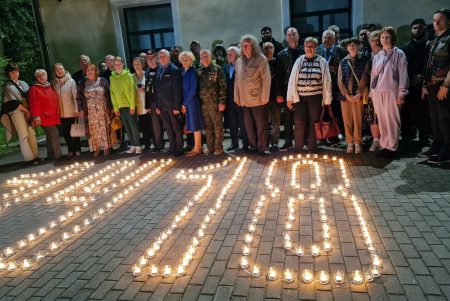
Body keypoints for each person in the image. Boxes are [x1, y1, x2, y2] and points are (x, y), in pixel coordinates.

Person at [286, 37, 332, 153]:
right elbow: (292, 80)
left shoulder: (322, 61)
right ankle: (299, 147)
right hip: (300, 97)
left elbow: (327, 80)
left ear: (316, 48)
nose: (309, 48)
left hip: (315, 97)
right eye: (307, 46)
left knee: (314, 122)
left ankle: (312, 146)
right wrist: (289, 98)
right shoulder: (299, 60)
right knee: (299, 122)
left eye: (311, 46)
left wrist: (327, 99)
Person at [370, 27, 409, 159]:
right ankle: (384, 145)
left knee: (392, 121)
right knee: (382, 121)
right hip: (378, 92)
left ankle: (392, 147)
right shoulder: (377, 56)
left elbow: (403, 75)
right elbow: (373, 76)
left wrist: (402, 93)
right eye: (382, 37)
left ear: (392, 38)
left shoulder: (399, 54)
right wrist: (372, 91)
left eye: (387, 37)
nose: (384, 39)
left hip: (392, 92)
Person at [421, 9, 450, 163]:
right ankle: (437, 145)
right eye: (434, 20)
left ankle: (447, 149)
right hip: (431, 85)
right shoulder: (434, 41)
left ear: (448, 21)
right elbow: (428, 64)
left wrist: (446, 85)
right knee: (435, 118)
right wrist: (424, 85)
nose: (436, 23)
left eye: (440, 20)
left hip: (443, 85)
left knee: (445, 119)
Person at [235, 34, 271, 155]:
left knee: (261, 125)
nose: (243, 48)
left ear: (253, 46)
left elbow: (266, 80)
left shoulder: (261, 59)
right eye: (242, 46)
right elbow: (237, 80)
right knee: (248, 125)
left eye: (246, 46)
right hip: (244, 100)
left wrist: (265, 97)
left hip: (258, 99)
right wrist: (237, 96)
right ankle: (253, 146)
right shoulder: (239, 61)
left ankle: (261, 147)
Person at [1, 63, 39, 163]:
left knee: (31, 133)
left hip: (28, 111)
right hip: (17, 111)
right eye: (12, 72)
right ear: (8, 74)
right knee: (23, 134)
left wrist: (30, 111)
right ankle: (29, 158)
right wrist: (26, 111)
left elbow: (31, 98)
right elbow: (12, 102)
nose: (15, 74)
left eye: (16, 71)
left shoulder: (24, 83)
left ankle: (35, 156)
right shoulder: (7, 86)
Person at [402, 18, 431, 148]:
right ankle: (407, 136)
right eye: (415, 28)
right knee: (407, 113)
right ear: (411, 30)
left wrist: (423, 77)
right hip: (409, 85)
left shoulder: (429, 46)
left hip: (425, 85)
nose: (417, 30)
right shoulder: (405, 48)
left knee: (423, 113)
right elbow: (403, 67)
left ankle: (424, 138)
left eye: (420, 27)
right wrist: (411, 77)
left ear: (424, 29)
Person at [337, 38, 369, 154]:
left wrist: (359, 92)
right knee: (347, 120)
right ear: (346, 48)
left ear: (359, 46)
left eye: (354, 45)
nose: (352, 47)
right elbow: (340, 80)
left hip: (358, 96)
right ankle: (349, 142)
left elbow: (364, 77)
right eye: (349, 45)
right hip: (345, 97)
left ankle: (358, 142)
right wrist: (346, 94)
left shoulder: (364, 60)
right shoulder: (343, 61)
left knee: (358, 120)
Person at [275, 27, 304, 151]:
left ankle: (301, 141)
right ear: (286, 38)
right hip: (287, 90)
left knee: (301, 117)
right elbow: (279, 76)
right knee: (287, 118)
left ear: (298, 36)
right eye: (289, 34)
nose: (291, 36)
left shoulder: (304, 52)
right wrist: (279, 93)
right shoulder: (281, 55)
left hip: (303, 90)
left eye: (294, 34)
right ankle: (287, 141)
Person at [316, 30, 348, 143]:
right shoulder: (317, 50)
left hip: (335, 87)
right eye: (325, 38)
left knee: (334, 112)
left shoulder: (342, 51)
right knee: (321, 112)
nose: (327, 40)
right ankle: (322, 136)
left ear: (334, 39)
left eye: (330, 38)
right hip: (320, 86)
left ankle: (334, 136)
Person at [77, 64, 112, 156]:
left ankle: (106, 147)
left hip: (102, 109)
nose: (89, 72)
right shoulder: (83, 83)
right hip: (90, 111)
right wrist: (80, 109)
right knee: (93, 130)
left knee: (104, 128)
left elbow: (109, 94)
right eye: (87, 70)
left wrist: (111, 108)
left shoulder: (103, 81)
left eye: (91, 70)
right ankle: (96, 148)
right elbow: (79, 97)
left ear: (96, 71)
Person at [153, 49, 184, 157]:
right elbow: (156, 89)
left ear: (169, 57)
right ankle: (172, 147)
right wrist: (157, 105)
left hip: (172, 105)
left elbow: (177, 90)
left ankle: (179, 148)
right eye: (160, 56)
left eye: (163, 56)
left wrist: (177, 106)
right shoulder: (159, 69)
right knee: (168, 127)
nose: (161, 58)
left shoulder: (174, 70)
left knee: (176, 127)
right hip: (162, 105)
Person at [110, 56, 141, 154]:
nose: (117, 66)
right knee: (127, 127)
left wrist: (132, 106)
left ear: (123, 64)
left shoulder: (128, 76)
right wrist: (115, 108)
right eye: (115, 64)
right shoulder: (112, 77)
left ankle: (138, 145)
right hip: (120, 106)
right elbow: (112, 93)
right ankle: (132, 145)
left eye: (119, 64)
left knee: (133, 126)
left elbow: (132, 91)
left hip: (129, 105)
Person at [198, 49, 227, 155]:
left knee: (217, 126)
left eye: (206, 56)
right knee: (208, 127)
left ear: (211, 57)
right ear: (200, 59)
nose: (205, 58)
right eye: (202, 57)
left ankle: (218, 147)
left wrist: (222, 102)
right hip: (204, 105)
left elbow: (223, 87)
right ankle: (210, 147)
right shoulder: (199, 71)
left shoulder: (217, 69)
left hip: (215, 104)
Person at [29, 69, 62, 160]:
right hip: (44, 117)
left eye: (43, 74)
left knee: (50, 136)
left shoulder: (50, 86)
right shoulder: (34, 89)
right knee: (55, 134)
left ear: (47, 75)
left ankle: (51, 155)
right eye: (39, 76)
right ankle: (58, 156)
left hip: (53, 115)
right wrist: (36, 117)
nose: (41, 77)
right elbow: (34, 104)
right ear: (36, 78)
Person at [51, 63, 81, 157]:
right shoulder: (54, 83)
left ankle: (77, 149)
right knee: (66, 134)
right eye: (57, 70)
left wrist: (77, 109)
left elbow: (75, 96)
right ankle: (70, 150)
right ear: (55, 72)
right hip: (61, 113)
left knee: (75, 132)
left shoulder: (71, 81)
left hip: (72, 111)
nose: (59, 71)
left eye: (61, 69)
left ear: (64, 69)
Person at [179, 51, 205, 156]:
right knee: (193, 125)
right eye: (183, 60)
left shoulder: (192, 71)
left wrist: (185, 104)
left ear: (191, 60)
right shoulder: (184, 71)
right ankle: (197, 147)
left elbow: (193, 89)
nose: (185, 61)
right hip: (187, 102)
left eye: (187, 59)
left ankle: (198, 148)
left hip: (192, 101)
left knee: (195, 125)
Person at [223, 46, 249, 151]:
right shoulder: (225, 68)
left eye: (230, 54)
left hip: (240, 99)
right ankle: (234, 143)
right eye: (228, 54)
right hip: (229, 101)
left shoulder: (243, 66)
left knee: (243, 123)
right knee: (232, 123)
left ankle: (246, 143)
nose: (228, 56)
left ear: (237, 56)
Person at [365, 31, 382, 152]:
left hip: (384, 92)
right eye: (373, 40)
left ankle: (385, 141)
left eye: (377, 40)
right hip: (371, 92)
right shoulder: (367, 56)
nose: (375, 42)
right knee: (372, 116)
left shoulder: (387, 54)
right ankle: (376, 140)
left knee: (383, 117)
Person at [144, 49, 164, 151]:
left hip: (162, 102)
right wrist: (147, 105)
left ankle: (175, 145)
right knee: (156, 126)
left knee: (168, 124)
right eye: (148, 58)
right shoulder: (147, 71)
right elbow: (147, 89)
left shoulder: (162, 69)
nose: (150, 60)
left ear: (156, 58)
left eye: (152, 58)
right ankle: (159, 145)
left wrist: (159, 105)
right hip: (152, 103)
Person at [263, 42, 281, 152]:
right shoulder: (260, 63)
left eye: (271, 47)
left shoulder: (278, 62)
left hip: (275, 97)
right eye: (266, 48)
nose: (268, 49)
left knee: (276, 122)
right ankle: (265, 143)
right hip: (263, 98)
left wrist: (280, 94)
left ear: (274, 49)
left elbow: (280, 79)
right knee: (264, 122)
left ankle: (274, 143)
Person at [132, 57, 153, 151]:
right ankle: (147, 144)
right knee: (143, 126)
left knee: (151, 125)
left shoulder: (147, 74)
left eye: (138, 64)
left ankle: (155, 143)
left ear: (142, 64)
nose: (137, 66)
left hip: (148, 103)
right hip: (139, 105)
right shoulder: (131, 77)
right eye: (135, 64)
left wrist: (145, 89)